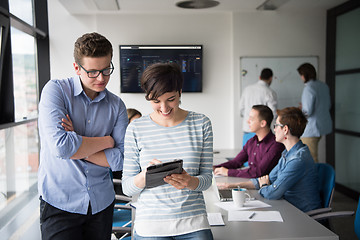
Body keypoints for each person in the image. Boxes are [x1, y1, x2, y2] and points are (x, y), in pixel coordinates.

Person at [38, 32, 128, 240]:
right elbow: (61, 148)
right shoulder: (56, 91)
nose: (102, 78)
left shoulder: (116, 106)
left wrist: (76, 142)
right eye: (93, 72)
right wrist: (106, 141)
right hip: (59, 202)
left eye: (107, 70)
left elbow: (121, 159)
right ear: (77, 68)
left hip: (101, 204)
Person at [122, 62, 214, 239]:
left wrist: (189, 181)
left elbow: (207, 180)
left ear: (180, 92)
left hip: (193, 223)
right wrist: (145, 175)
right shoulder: (136, 128)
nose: (164, 108)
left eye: (171, 99)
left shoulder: (201, 123)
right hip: (150, 226)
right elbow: (127, 188)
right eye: (156, 101)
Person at [218, 107, 321, 212]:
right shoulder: (288, 153)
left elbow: (272, 192)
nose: (274, 129)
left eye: (276, 126)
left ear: (285, 129)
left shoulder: (297, 159)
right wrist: (232, 186)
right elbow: (268, 178)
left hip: (301, 215)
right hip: (288, 207)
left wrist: (264, 185)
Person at [213, 105, 284, 178]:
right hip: (250, 182)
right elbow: (236, 162)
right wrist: (215, 168)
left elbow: (258, 172)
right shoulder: (251, 142)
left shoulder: (276, 145)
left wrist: (228, 172)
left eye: (251, 119)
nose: (248, 121)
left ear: (263, 123)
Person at [297, 63, 332, 163]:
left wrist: (301, 109)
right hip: (322, 126)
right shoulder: (323, 85)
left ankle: (316, 178)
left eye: (301, 75)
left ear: (304, 75)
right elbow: (328, 105)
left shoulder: (309, 88)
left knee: (311, 158)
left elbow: (307, 112)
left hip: (312, 128)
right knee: (313, 156)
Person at [239, 68, 277, 146]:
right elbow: (273, 113)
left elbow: (241, 109)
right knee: (260, 156)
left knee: (246, 156)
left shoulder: (247, 89)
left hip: (247, 130)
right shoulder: (270, 92)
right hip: (262, 132)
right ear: (271, 78)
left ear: (259, 77)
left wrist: (250, 118)